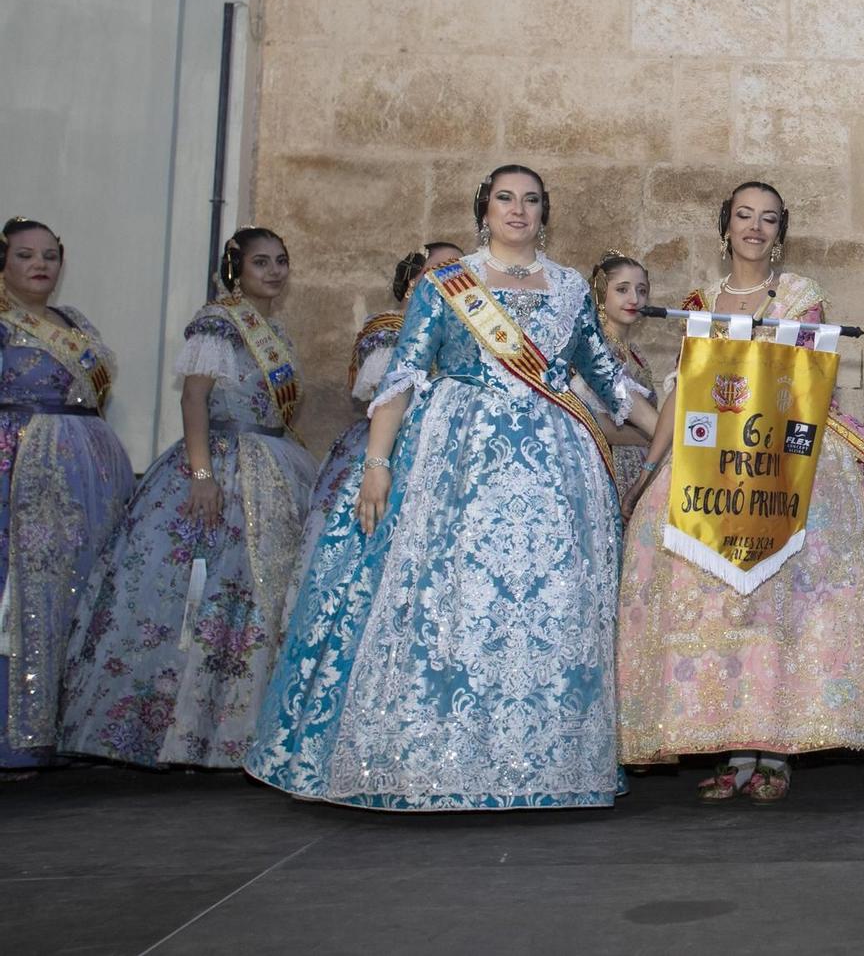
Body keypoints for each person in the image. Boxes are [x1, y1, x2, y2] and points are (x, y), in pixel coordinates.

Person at [244, 166, 659, 811]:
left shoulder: (573, 286)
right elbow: (404, 376)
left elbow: (606, 378)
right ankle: (439, 760)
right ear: (483, 210)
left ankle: (545, 764)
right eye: (505, 199)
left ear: (544, 213)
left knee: (552, 600)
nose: (518, 211)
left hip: (556, 470)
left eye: (530, 201)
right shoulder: (447, 283)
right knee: (453, 599)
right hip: (459, 462)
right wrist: (377, 464)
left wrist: (678, 442)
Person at [620, 180, 864, 803]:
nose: (754, 227)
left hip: (783, 451)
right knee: (719, 597)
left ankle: (776, 749)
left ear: (779, 233)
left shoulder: (801, 295)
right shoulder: (701, 299)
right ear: (725, 227)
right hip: (712, 456)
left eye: (768, 219)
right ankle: (731, 744)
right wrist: (650, 467)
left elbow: (799, 376)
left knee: (781, 595)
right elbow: (683, 388)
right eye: (744, 216)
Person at [62, 228, 315, 769]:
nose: (273, 272)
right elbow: (195, 400)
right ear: (235, 270)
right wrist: (201, 473)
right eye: (260, 263)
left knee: (260, 600)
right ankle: (183, 732)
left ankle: (241, 732)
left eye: (280, 262)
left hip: (273, 463)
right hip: (223, 462)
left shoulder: (275, 330)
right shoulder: (219, 323)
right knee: (206, 595)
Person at [0, 218, 135, 775]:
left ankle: (68, 729)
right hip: (22, 469)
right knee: (23, 597)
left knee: (83, 593)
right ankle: (17, 733)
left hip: (89, 471)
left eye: (51, 255)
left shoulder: (73, 321)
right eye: (26, 255)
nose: (40, 265)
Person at [284, 241, 461, 616]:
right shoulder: (389, 329)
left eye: (460, 267)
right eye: (442, 267)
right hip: (385, 449)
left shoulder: (459, 337)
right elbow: (386, 395)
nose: (454, 276)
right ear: (415, 279)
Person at [586, 251, 659, 508]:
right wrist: (656, 438)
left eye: (641, 290)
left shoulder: (635, 353)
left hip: (640, 469)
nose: (634, 299)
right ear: (601, 292)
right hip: (605, 470)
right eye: (622, 289)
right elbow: (594, 423)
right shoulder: (593, 347)